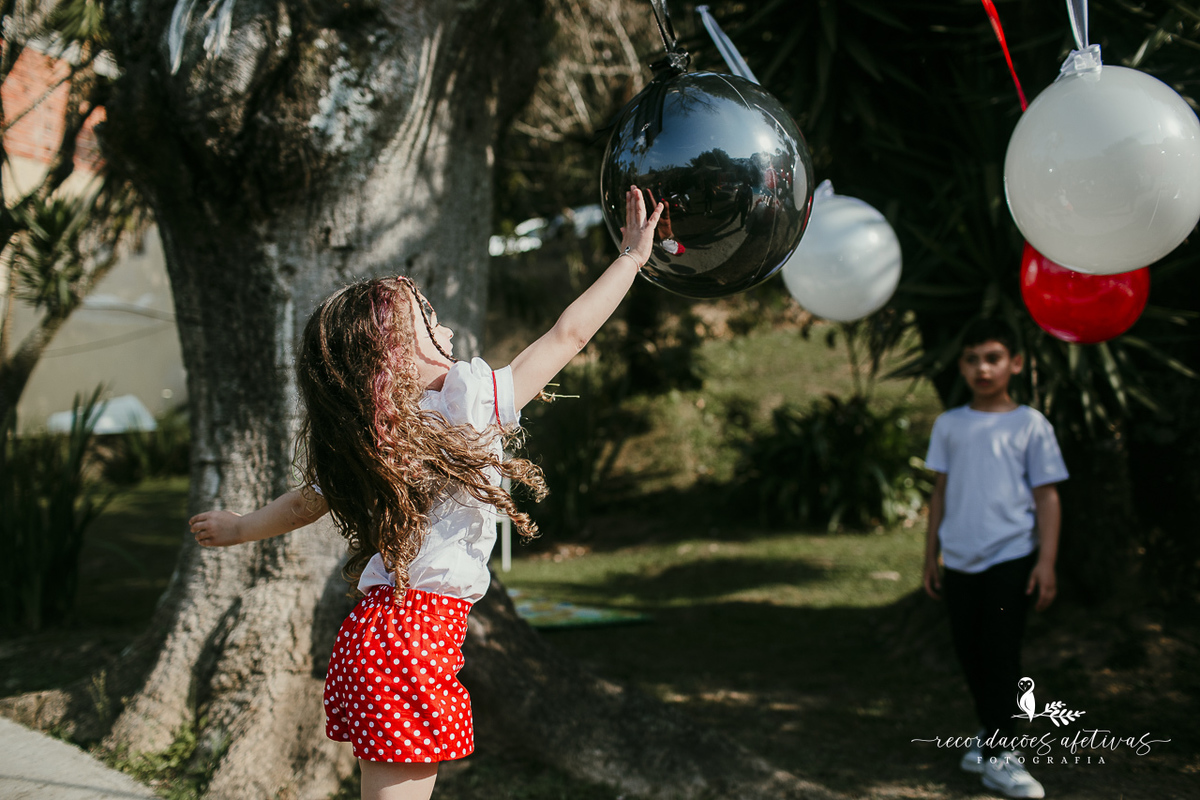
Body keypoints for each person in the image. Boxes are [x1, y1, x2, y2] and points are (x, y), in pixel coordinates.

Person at [189, 189, 663, 800]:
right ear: (390, 360)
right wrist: (629, 258)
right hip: (413, 643)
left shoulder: (383, 437)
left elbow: (309, 499)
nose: (444, 328)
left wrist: (240, 528)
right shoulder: (469, 408)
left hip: (378, 636)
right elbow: (566, 335)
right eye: (428, 323)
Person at [922, 318, 1069, 800]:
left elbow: (1047, 496)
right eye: (972, 358)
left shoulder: (1030, 424)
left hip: (1011, 558)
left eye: (993, 357)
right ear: (962, 366)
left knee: (1001, 655)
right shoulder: (949, 425)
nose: (982, 368)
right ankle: (989, 737)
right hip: (960, 561)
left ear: (1016, 364)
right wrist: (931, 557)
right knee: (970, 653)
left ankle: (1003, 756)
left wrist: (1045, 563)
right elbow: (940, 493)